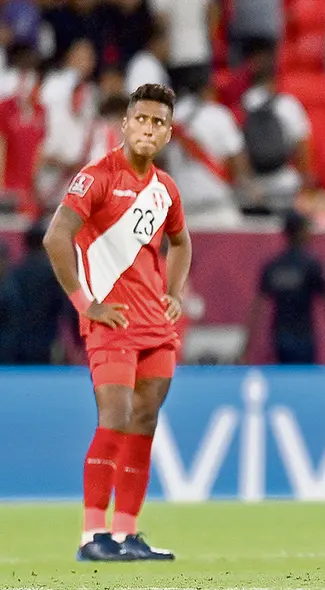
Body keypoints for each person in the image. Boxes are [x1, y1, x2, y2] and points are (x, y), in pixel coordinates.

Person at [42, 84, 192, 561]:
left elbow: (182, 243)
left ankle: (126, 534)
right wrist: (84, 304)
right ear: (125, 124)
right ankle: (92, 536)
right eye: (141, 119)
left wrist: (174, 293)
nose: (148, 128)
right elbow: (55, 238)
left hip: (155, 324)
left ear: (168, 133)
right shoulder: (97, 176)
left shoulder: (166, 189)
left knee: (144, 424)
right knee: (115, 419)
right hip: (111, 321)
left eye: (158, 122)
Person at [242, 211, 325, 364]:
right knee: (305, 382)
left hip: (279, 337)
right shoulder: (312, 265)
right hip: (304, 336)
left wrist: (246, 347)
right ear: (301, 232)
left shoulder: (274, 265)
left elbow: (257, 309)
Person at [0, 221, 70, 363]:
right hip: (46, 338)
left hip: (15, 341)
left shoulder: (15, 272)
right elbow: (65, 308)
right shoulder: (54, 274)